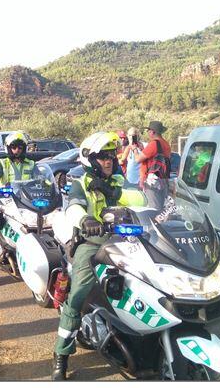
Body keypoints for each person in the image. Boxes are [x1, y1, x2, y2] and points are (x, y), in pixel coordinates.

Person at [51, 132, 146, 380]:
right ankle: (61, 354)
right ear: (90, 160)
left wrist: (110, 191)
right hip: (92, 242)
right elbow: (73, 207)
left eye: (111, 156)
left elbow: (140, 198)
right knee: (79, 293)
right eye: (103, 157)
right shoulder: (79, 182)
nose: (108, 161)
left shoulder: (117, 179)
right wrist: (85, 220)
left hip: (124, 240)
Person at [0, 131, 36, 289]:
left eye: (20, 147)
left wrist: (52, 188)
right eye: (14, 147)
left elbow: (41, 180)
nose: (17, 150)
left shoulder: (31, 164)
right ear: (8, 148)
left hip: (26, 203)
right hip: (4, 202)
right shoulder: (1, 163)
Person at [132, 120, 172, 209]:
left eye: (148, 131)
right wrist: (142, 149)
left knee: (153, 209)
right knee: (161, 209)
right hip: (163, 179)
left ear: (152, 132)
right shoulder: (166, 144)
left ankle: (153, 222)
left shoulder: (154, 144)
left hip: (152, 181)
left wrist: (135, 149)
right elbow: (154, 157)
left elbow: (138, 159)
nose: (148, 133)